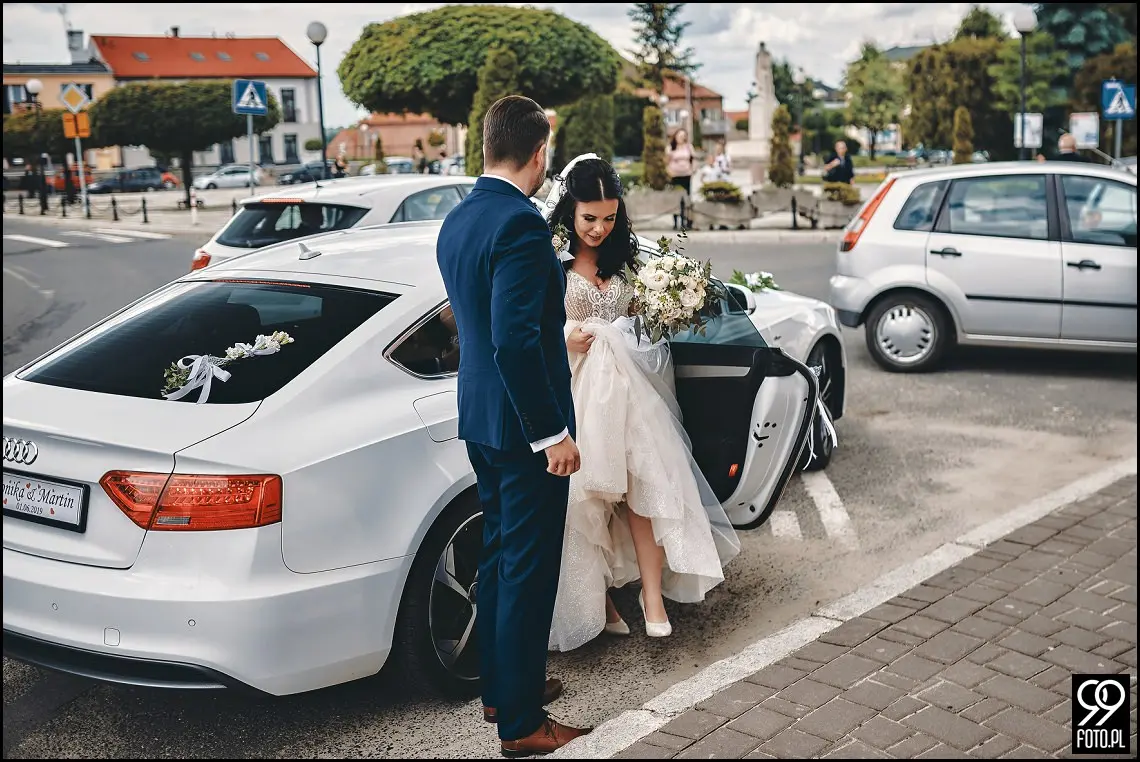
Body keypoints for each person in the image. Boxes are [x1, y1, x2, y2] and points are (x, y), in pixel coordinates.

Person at [435, 95, 591, 758]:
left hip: (480, 419)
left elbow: (466, 321)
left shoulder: (459, 219)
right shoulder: (521, 226)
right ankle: (522, 724)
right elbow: (516, 342)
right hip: (525, 431)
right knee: (528, 572)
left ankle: (503, 686)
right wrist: (551, 433)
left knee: (501, 559)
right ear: (539, 154)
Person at [541, 154, 742, 654]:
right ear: (570, 211)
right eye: (589, 218)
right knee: (588, 504)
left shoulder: (626, 259)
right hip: (581, 392)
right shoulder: (549, 259)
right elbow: (533, 324)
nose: (599, 228)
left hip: (632, 393)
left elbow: (639, 319)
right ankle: (602, 599)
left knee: (643, 493)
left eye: (609, 218)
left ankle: (653, 599)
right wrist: (567, 335)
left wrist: (668, 306)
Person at [666, 128, 696, 193]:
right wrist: (669, 172)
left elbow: (692, 159)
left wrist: (693, 169)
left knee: (686, 193)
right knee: (676, 193)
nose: (682, 138)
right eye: (680, 136)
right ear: (676, 136)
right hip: (674, 175)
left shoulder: (689, 146)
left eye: (683, 136)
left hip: (686, 174)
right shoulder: (671, 147)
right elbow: (667, 161)